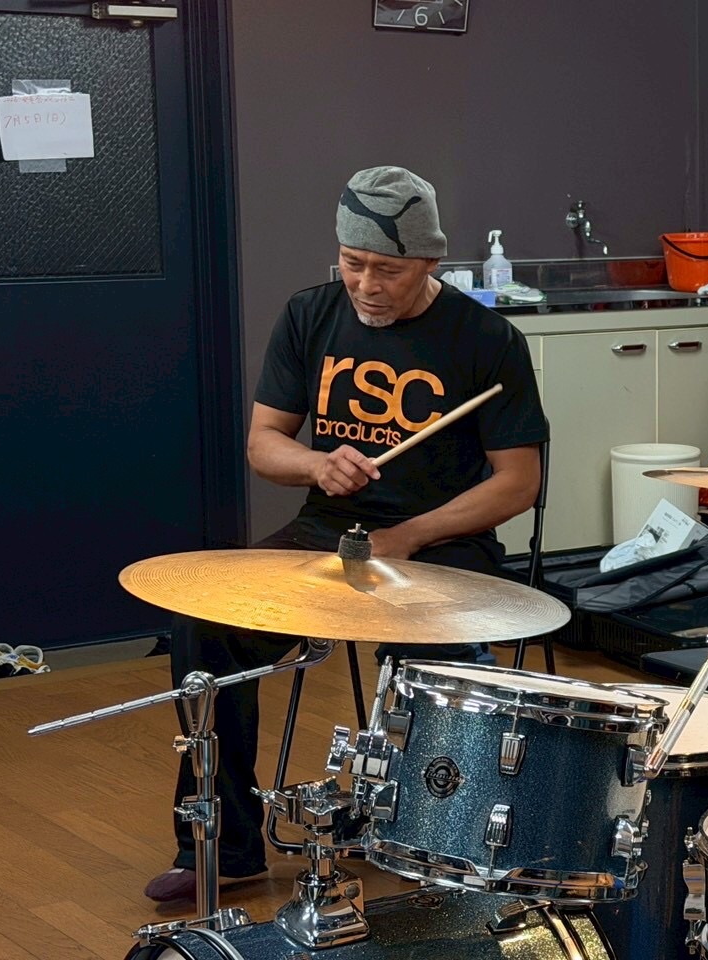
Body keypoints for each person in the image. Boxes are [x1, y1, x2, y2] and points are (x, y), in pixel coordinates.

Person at [144, 166, 548, 902]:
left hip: (443, 542)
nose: (367, 285)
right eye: (352, 263)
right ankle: (226, 847)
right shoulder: (310, 315)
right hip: (329, 532)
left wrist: (411, 534)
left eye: (388, 270)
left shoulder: (487, 339)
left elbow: (518, 483)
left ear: (430, 260)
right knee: (205, 627)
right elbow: (264, 444)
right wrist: (317, 464)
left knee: (440, 653)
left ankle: (441, 833)